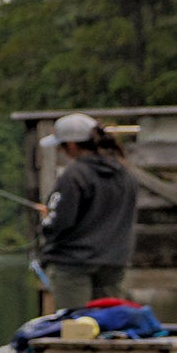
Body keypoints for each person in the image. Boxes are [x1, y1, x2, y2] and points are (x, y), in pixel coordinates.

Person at [38, 112, 140, 315]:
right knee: (109, 322)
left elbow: (58, 223)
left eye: (61, 146)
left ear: (72, 145)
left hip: (73, 265)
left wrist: (46, 219)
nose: (62, 151)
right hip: (114, 262)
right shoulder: (125, 174)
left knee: (75, 324)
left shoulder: (74, 175)